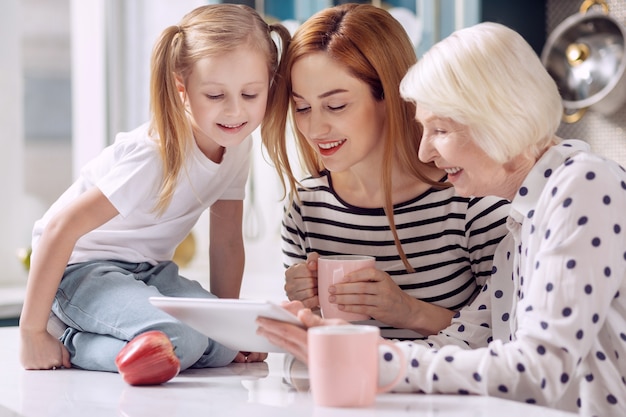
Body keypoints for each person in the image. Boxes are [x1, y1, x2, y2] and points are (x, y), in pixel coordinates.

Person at [258, 21, 626, 416]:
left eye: (440, 129)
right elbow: (463, 342)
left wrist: (376, 360)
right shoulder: (525, 223)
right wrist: (341, 348)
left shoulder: (582, 185)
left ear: (498, 119)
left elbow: (536, 371)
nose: (424, 152)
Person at [19, 4, 291, 377]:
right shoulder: (155, 155)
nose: (234, 112)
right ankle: (67, 337)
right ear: (183, 88)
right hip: (81, 270)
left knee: (223, 343)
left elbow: (226, 241)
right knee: (180, 339)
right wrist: (31, 331)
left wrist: (229, 329)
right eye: (215, 96)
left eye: (250, 95)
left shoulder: (236, 145)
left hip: (151, 271)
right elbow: (58, 228)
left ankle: (141, 341)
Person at [261, 3, 510, 340]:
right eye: (302, 107)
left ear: (391, 96)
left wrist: (406, 311)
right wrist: (306, 310)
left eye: (336, 105)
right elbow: (318, 345)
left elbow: (513, 341)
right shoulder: (307, 209)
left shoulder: (471, 200)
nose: (315, 128)